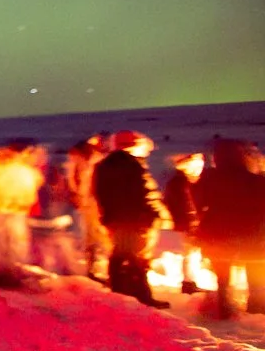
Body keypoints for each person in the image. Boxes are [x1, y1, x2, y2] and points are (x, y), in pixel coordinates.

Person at [92, 130, 172, 308]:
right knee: (133, 258)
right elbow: (143, 194)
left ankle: (122, 293)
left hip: (116, 218)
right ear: (134, 146)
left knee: (122, 255)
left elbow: (100, 194)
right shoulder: (132, 165)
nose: (147, 151)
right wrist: (152, 214)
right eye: (144, 147)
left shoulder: (105, 165)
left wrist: (107, 217)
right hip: (133, 219)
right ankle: (139, 296)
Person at [195, 138, 265, 320]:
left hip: (218, 234)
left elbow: (199, 202)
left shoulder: (209, 178)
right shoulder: (255, 180)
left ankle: (225, 311)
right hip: (251, 234)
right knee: (256, 275)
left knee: (223, 278)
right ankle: (256, 312)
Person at [0, 142, 45, 287]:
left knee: (8, 244)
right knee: (12, 244)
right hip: (11, 212)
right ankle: (9, 274)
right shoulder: (16, 171)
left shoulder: (2, 170)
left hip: (5, 211)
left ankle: (7, 273)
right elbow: (29, 190)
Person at [63, 134, 111, 280]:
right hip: (91, 202)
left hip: (94, 201)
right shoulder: (85, 159)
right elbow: (74, 179)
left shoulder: (92, 158)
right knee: (96, 237)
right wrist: (77, 196)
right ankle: (96, 269)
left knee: (97, 237)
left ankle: (98, 269)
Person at [163, 152, 205, 295]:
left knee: (192, 254)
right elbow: (185, 206)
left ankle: (190, 282)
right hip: (187, 224)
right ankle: (188, 284)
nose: (200, 166)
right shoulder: (180, 183)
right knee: (191, 254)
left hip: (187, 223)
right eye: (196, 163)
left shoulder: (184, 181)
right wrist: (193, 222)